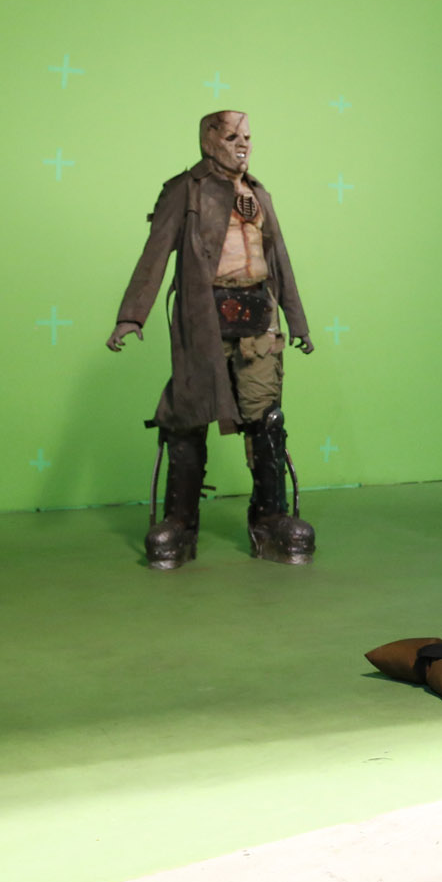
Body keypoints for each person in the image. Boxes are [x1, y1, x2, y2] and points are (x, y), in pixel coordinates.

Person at [109, 111, 316, 569]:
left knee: (267, 418)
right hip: (202, 322)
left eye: (248, 136)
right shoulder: (184, 190)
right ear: (209, 140)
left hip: (258, 323)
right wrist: (131, 316)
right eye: (232, 136)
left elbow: (278, 259)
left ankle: (270, 519)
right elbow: (155, 253)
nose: (243, 144)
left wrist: (297, 321)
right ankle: (180, 523)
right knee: (188, 416)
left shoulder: (259, 193)